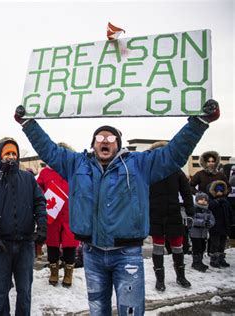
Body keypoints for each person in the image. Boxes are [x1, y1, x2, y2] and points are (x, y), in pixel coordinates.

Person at [14, 99, 220, 315]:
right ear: (93, 143)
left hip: (127, 254)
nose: (105, 141)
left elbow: (173, 154)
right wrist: (28, 124)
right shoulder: (76, 164)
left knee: (130, 310)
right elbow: (49, 150)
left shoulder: (139, 164)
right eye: (100, 138)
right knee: (98, 310)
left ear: (118, 144)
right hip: (92, 253)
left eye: (111, 138)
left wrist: (199, 122)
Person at [0, 137, 47, 316]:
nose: (11, 157)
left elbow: (40, 202)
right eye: (7, 153)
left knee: (24, 291)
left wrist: (42, 227)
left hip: (25, 244)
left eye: (13, 154)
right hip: (2, 245)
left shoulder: (28, 178)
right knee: (0, 292)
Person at [147, 141, 193, 292]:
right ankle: (160, 280)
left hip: (174, 214)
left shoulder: (176, 170)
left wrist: (190, 212)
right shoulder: (150, 171)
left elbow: (186, 192)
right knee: (158, 247)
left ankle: (181, 276)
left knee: (178, 247)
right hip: (155, 214)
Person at [36, 145, 79, 288]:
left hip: (70, 215)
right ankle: (54, 271)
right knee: (52, 245)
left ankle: (68, 273)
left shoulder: (74, 172)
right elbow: (38, 191)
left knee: (70, 246)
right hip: (52, 216)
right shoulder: (45, 173)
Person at [207, 180, 234, 268]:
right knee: (215, 243)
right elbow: (209, 207)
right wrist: (217, 201)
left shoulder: (225, 201)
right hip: (215, 226)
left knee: (222, 243)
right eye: (217, 190)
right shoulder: (211, 200)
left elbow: (230, 212)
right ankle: (214, 259)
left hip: (224, 225)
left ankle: (221, 258)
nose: (219, 192)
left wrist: (232, 221)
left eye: (221, 190)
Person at [189, 192, 215, 272]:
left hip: (203, 234)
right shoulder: (194, 209)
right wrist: (202, 222)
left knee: (202, 247)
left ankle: (200, 262)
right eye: (201, 199)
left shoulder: (208, 211)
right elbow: (191, 220)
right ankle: (196, 262)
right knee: (196, 248)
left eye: (205, 200)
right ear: (197, 200)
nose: (203, 201)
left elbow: (212, 220)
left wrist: (209, 224)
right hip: (195, 233)